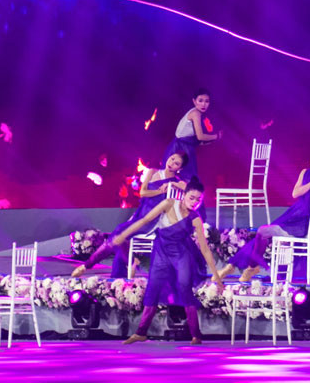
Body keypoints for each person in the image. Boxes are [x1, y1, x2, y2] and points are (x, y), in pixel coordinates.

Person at [115, 178, 222, 345]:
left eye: (198, 200)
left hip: (181, 254)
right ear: (184, 195)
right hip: (161, 252)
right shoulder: (169, 203)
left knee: (185, 287)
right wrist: (124, 235)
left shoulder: (195, 218)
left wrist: (217, 276)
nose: (194, 202)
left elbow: (205, 249)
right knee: (153, 288)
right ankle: (141, 332)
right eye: (191, 197)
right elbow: (144, 220)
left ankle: (196, 335)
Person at [217, 144, 310, 282]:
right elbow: (295, 193)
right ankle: (245, 266)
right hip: (294, 214)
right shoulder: (306, 173)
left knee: (262, 232)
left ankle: (240, 266)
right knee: (262, 232)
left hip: (306, 221)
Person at [71, 152, 188, 278]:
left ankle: (86, 266)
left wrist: (172, 184)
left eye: (176, 163)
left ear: (180, 168)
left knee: (118, 235)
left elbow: (187, 188)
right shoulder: (153, 172)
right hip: (140, 215)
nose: (171, 163)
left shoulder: (177, 181)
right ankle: (130, 264)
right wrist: (159, 191)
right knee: (118, 237)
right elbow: (143, 193)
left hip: (154, 220)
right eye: (172, 159)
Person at [162, 89, 222, 220]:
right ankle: (196, 219)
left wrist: (211, 140)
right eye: (200, 101)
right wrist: (216, 136)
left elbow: (196, 140)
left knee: (188, 183)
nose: (203, 104)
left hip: (184, 148)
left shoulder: (198, 114)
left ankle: (190, 218)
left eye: (207, 101)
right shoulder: (195, 113)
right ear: (194, 101)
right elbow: (200, 136)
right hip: (180, 150)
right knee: (190, 183)